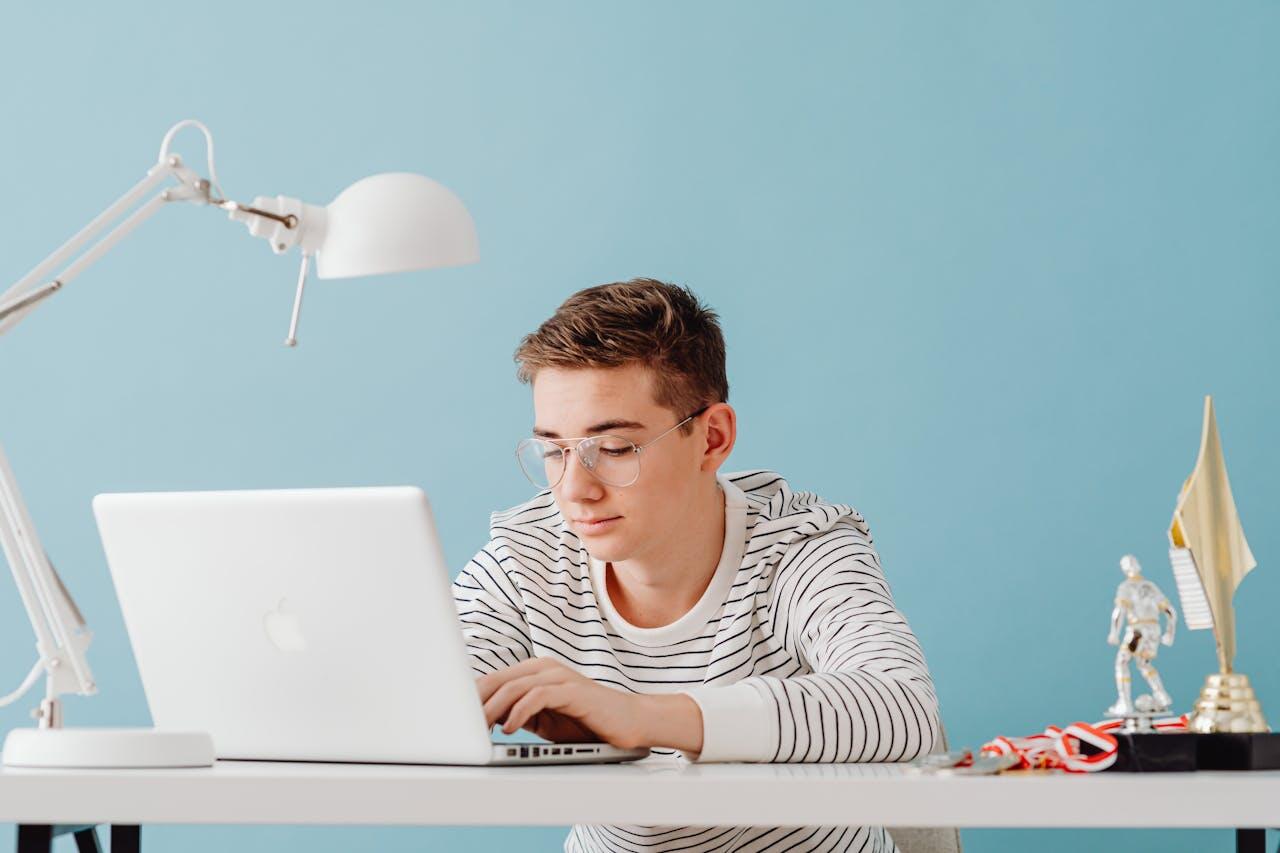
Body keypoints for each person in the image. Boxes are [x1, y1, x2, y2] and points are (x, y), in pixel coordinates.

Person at [452, 278, 940, 852]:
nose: (574, 490)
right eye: (554, 451)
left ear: (711, 438)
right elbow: (420, 696)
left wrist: (642, 718)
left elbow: (903, 708)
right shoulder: (528, 552)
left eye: (613, 449)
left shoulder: (800, 544)